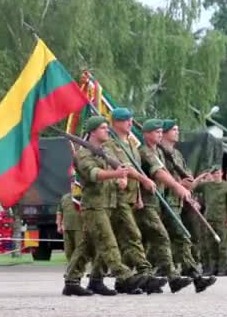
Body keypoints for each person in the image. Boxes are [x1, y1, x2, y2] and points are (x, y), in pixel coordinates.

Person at [62, 116, 151, 296]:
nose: (107, 131)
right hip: (94, 206)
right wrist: (115, 174)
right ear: (93, 131)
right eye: (103, 128)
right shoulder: (83, 154)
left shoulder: (104, 152)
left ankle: (73, 281)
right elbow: (94, 174)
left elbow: (117, 172)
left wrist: (121, 179)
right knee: (108, 243)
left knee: (88, 246)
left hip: (108, 204)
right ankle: (125, 275)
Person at [103, 108, 166, 293]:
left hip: (130, 198)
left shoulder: (131, 144)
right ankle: (145, 274)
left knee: (118, 241)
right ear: (115, 122)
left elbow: (135, 168)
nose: (130, 123)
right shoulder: (110, 144)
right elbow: (124, 169)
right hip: (116, 198)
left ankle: (121, 281)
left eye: (131, 119)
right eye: (125, 120)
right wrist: (144, 180)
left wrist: (138, 196)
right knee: (132, 236)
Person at [135, 118, 193, 293]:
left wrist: (180, 183)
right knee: (159, 237)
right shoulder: (144, 152)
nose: (160, 134)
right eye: (156, 132)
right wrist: (177, 186)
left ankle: (139, 278)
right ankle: (172, 277)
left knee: (145, 242)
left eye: (161, 131)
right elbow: (158, 172)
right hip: (145, 203)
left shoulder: (159, 152)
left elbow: (166, 172)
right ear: (146, 134)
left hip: (158, 203)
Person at [159, 118, 217, 291]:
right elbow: (161, 175)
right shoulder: (158, 153)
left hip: (176, 202)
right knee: (169, 238)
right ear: (165, 132)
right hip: (163, 201)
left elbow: (188, 181)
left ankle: (188, 277)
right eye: (174, 129)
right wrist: (180, 183)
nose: (177, 132)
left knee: (178, 238)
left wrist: (191, 184)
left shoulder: (176, 154)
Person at [196, 165, 227, 275]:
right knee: (211, 245)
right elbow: (192, 186)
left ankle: (222, 269)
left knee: (222, 246)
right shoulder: (206, 185)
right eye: (214, 173)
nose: (216, 175)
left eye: (218, 172)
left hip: (222, 220)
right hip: (208, 220)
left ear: (221, 173)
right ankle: (213, 268)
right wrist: (202, 176)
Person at [56, 187, 82, 262]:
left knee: (79, 250)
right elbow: (59, 212)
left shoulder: (83, 197)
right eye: (72, 184)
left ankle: (78, 269)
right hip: (66, 228)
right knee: (68, 250)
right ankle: (71, 268)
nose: (74, 186)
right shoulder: (65, 198)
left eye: (76, 184)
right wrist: (59, 226)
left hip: (79, 228)